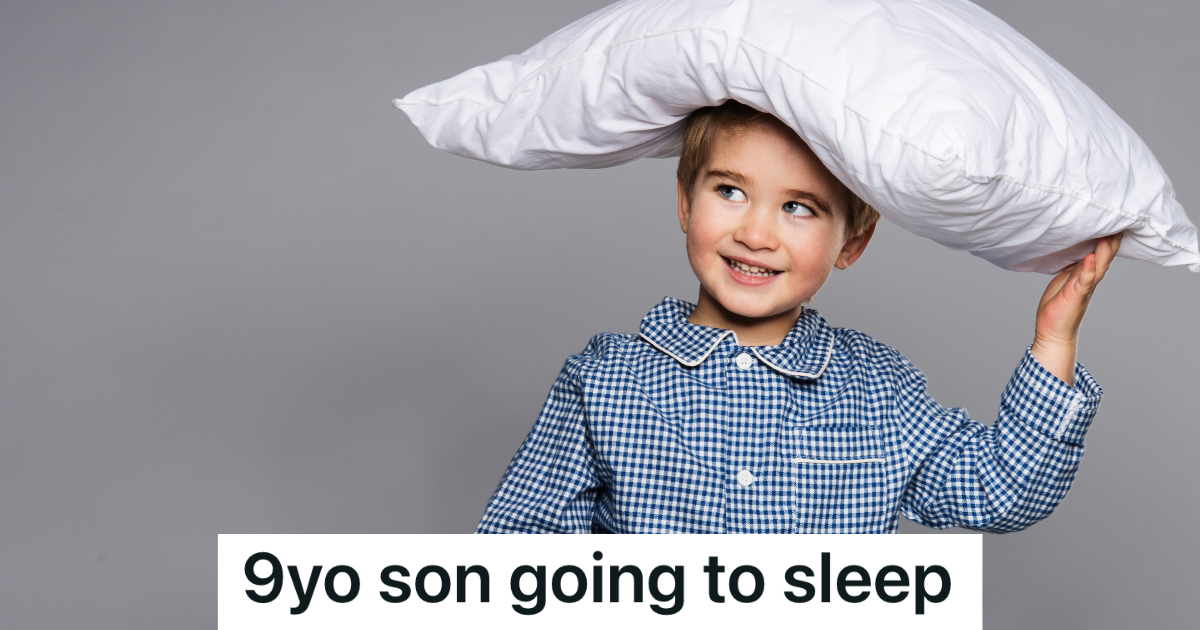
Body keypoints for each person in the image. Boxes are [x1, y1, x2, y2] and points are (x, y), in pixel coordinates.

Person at [475, 100, 1122, 534]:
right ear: (684, 202)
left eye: (799, 208)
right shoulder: (606, 381)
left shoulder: (880, 393)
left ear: (853, 242)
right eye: (730, 191)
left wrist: (1053, 339)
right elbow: (519, 557)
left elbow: (1000, 489)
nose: (757, 233)